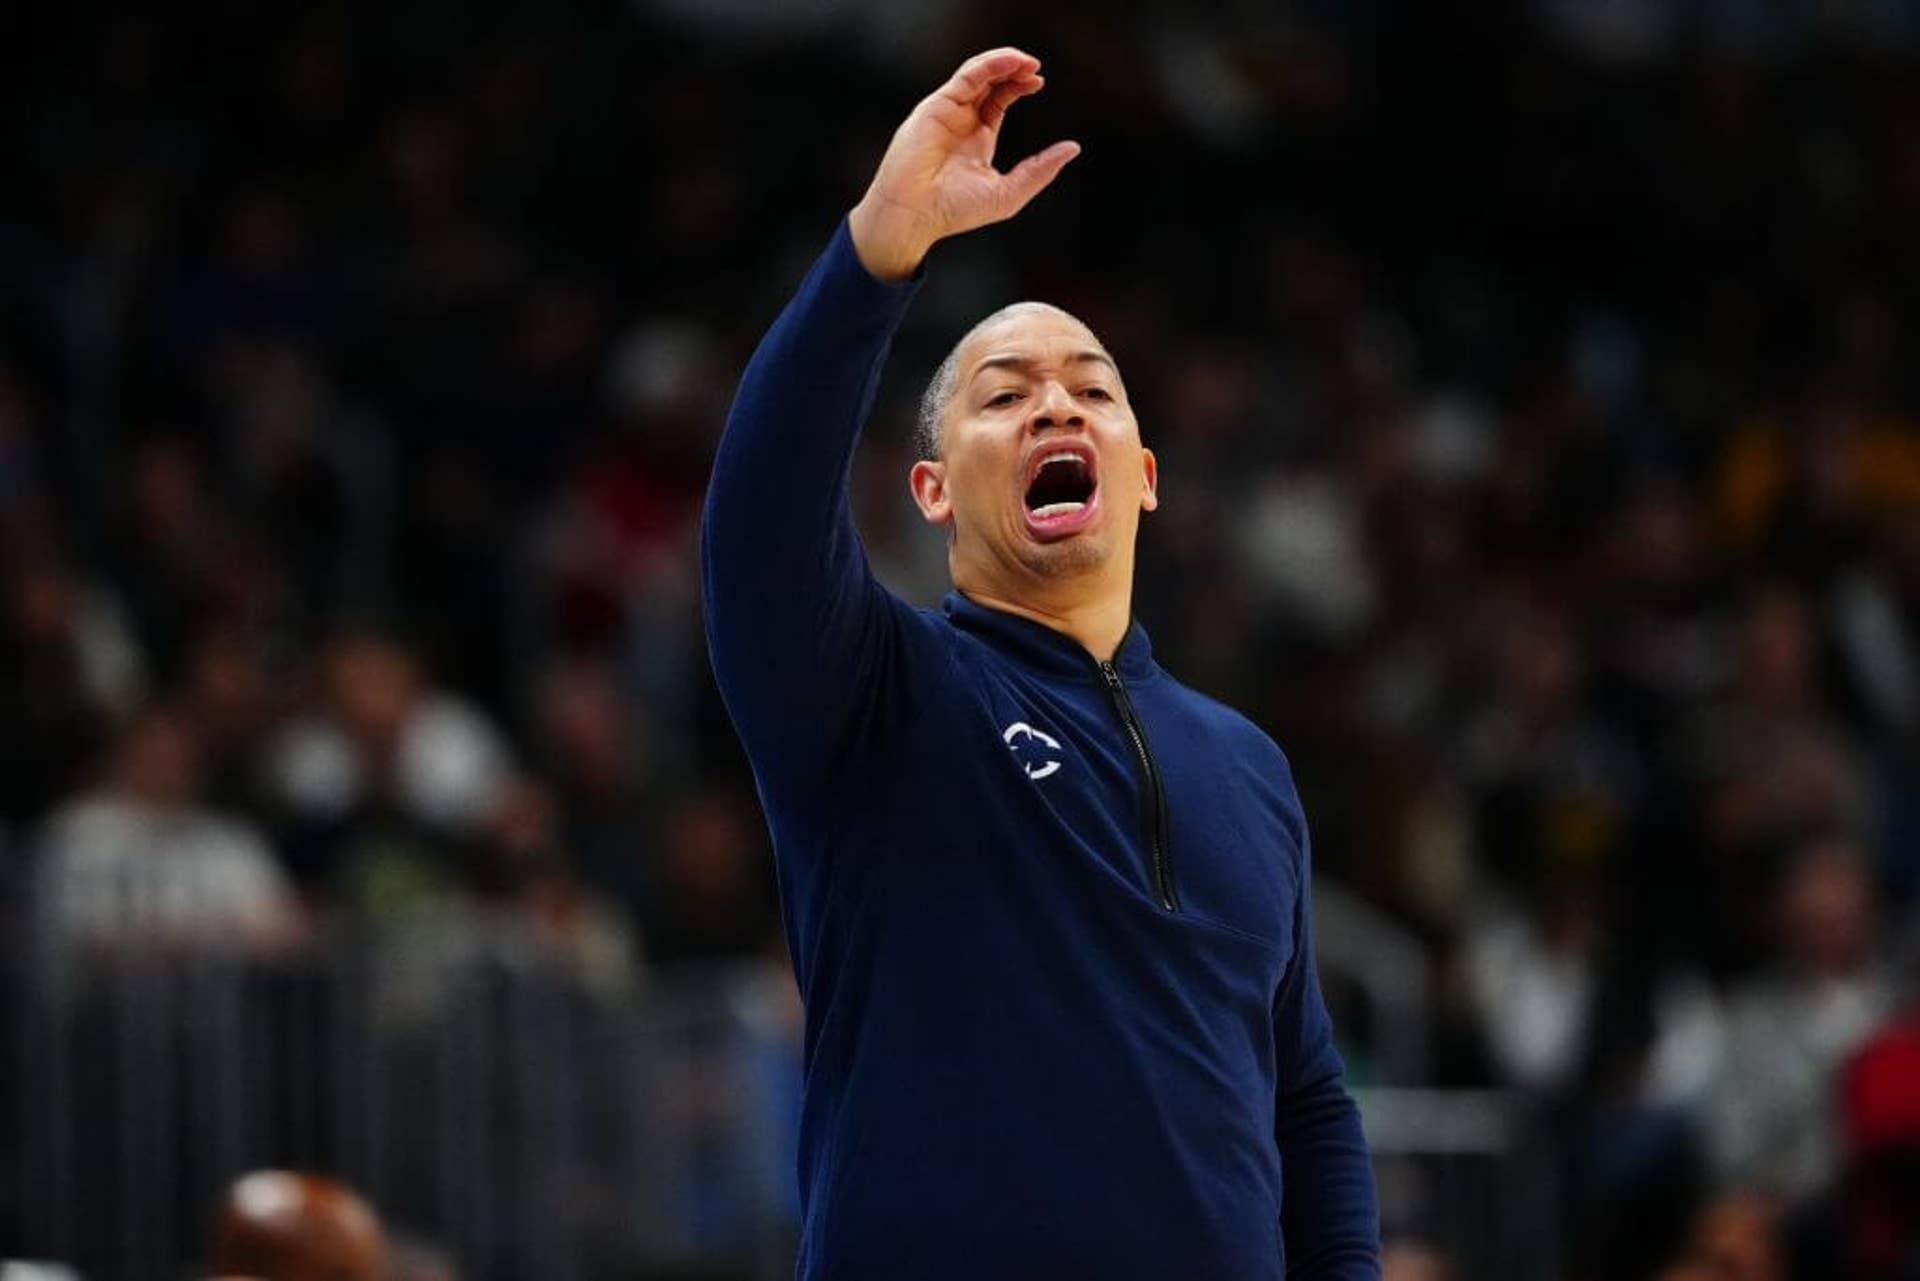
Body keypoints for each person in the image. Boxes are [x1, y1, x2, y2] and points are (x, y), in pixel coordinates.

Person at [702, 46, 1379, 1280]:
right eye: (1005, 397)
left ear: (1147, 476)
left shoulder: (1251, 767)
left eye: (1093, 391)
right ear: (932, 491)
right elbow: (754, 522)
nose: (1058, 408)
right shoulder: (877, 694)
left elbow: (1306, 1106)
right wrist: (877, 250)